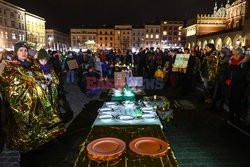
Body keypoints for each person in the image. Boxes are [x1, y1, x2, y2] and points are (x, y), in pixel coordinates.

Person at [0, 42, 65, 152]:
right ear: (16, 52)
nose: (23, 53)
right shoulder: (11, 66)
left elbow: (40, 76)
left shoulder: (32, 63)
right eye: (20, 50)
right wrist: (31, 84)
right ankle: (28, 141)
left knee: (39, 120)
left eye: (25, 50)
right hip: (25, 102)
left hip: (39, 99)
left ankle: (40, 138)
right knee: (27, 123)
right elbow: (9, 85)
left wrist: (46, 80)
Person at [226, 48, 248, 124]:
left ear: (240, 54)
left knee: (238, 102)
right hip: (232, 85)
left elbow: (242, 75)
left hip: (240, 86)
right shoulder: (232, 62)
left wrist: (235, 64)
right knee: (231, 101)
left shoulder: (244, 62)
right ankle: (231, 115)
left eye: (236, 54)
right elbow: (228, 72)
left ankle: (238, 116)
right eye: (234, 54)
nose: (234, 56)